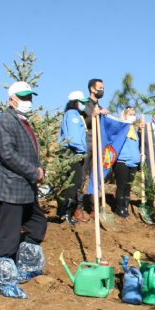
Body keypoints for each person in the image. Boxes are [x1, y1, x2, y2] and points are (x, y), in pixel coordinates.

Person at [0, 81, 48, 299]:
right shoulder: (5, 120)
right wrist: (34, 171)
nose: (28, 101)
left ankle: (26, 266)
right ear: (11, 99)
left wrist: (38, 170)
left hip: (25, 187)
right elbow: (8, 154)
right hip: (10, 186)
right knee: (8, 235)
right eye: (24, 98)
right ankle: (3, 282)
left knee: (37, 223)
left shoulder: (21, 122)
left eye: (30, 97)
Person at [58, 90, 89, 224]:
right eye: (81, 102)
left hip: (73, 151)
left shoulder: (74, 114)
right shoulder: (72, 115)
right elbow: (74, 136)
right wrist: (81, 151)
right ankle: (66, 213)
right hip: (72, 151)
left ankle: (65, 213)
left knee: (72, 182)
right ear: (75, 102)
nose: (83, 105)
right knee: (73, 182)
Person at [81, 78, 110, 215]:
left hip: (99, 145)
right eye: (100, 87)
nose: (102, 90)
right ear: (92, 89)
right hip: (87, 144)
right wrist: (92, 116)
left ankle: (94, 207)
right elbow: (81, 122)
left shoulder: (101, 107)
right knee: (82, 176)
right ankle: (78, 207)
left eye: (103, 88)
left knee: (96, 176)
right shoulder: (84, 105)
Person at [112, 105, 143, 217]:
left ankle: (125, 206)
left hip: (133, 162)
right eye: (130, 114)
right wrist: (121, 121)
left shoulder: (133, 130)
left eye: (134, 114)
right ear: (124, 115)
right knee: (122, 185)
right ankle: (119, 208)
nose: (132, 116)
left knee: (128, 186)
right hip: (122, 161)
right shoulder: (120, 127)